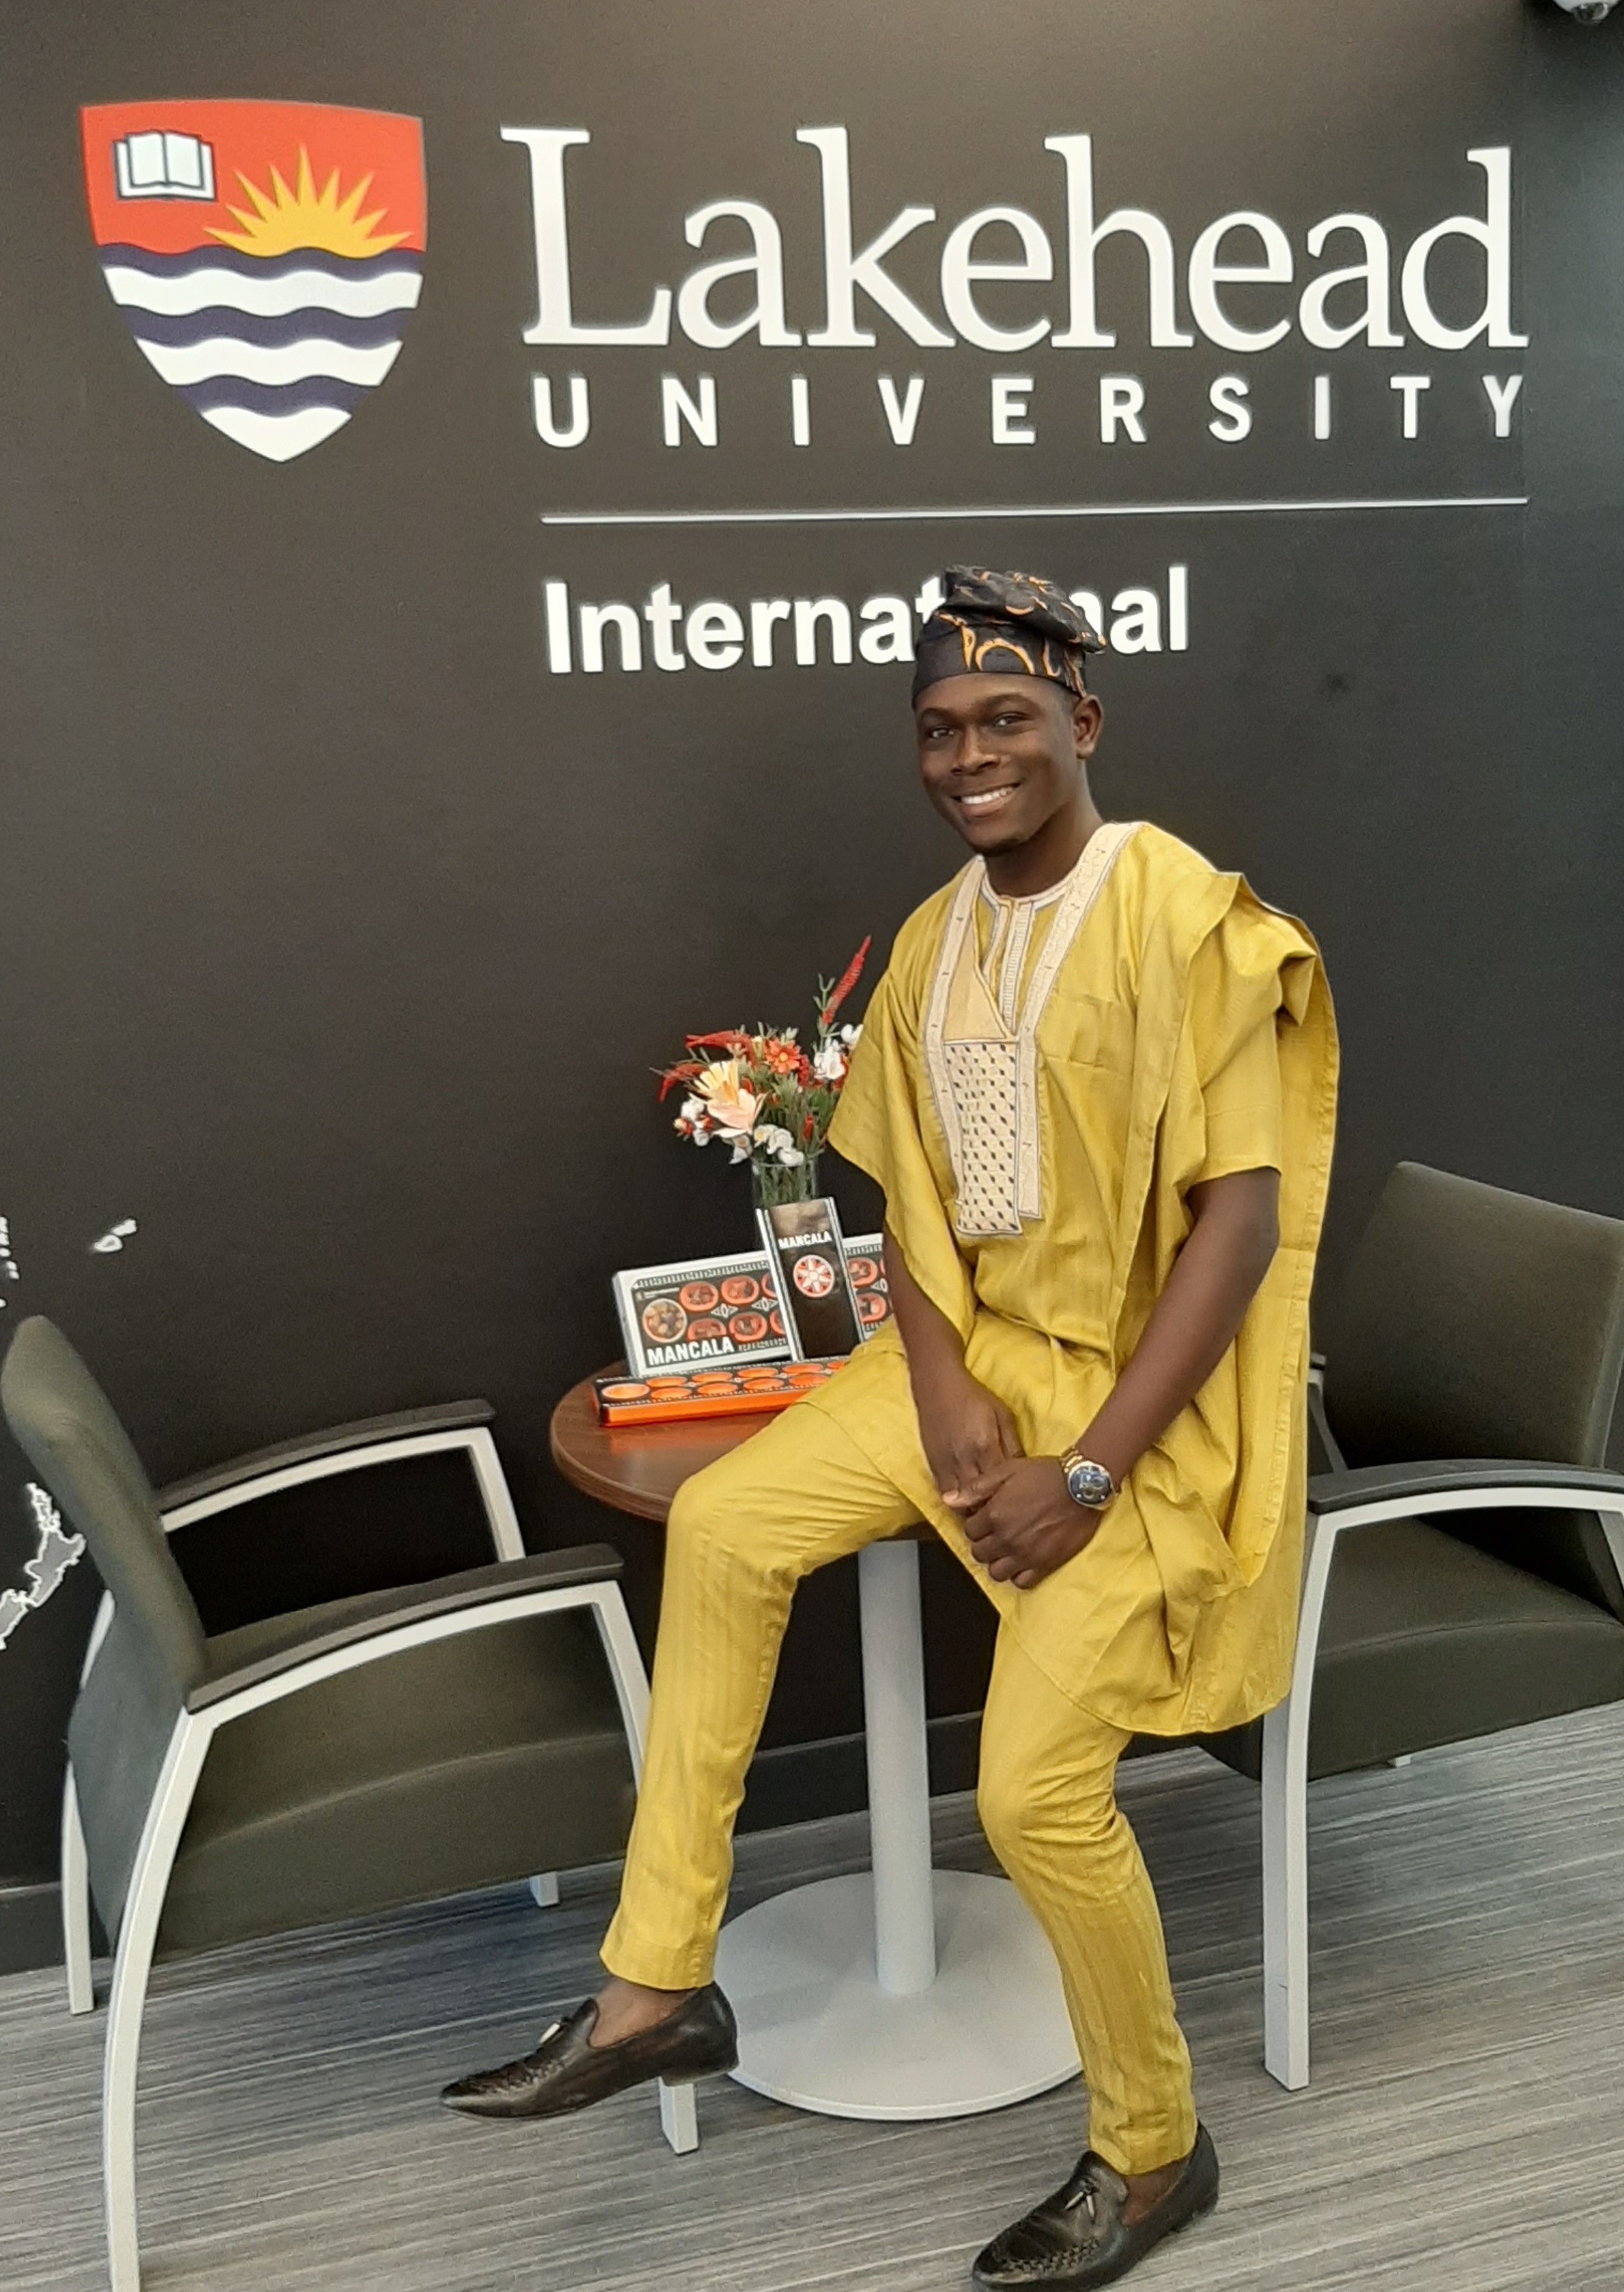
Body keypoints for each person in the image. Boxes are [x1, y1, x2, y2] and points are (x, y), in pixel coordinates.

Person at [442, 566, 1337, 2290]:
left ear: (1081, 721)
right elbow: (913, 1210)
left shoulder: (1188, 918)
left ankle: (1152, 2149)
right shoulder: (934, 938)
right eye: (937, 730)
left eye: (1004, 719)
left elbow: (1237, 1224)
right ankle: (654, 1989)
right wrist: (938, 1397)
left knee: (1033, 1796)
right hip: (960, 1364)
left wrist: (1081, 1471)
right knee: (721, 1524)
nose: (967, 755)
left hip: (1133, 1399)